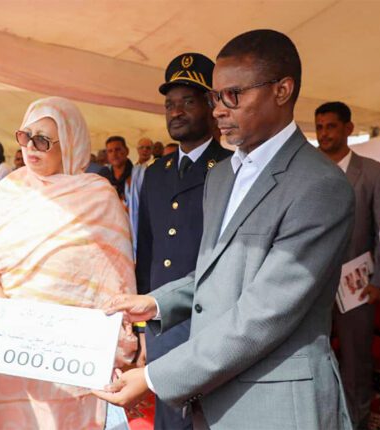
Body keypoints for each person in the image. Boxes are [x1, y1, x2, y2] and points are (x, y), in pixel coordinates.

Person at [95, 29, 355, 430]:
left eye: (233, 95)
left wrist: (153, 377)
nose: (218, 110)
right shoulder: (223, 177)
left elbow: (265, 313)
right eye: (216, 97)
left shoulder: (318, 185)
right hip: (214, 399)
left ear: (282, 90)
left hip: (274, 405)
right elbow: (217, 272)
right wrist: (158, 302)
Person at [0, 97, 138, 429]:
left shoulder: (98, 196)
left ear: (70, 143)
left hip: (71, 355)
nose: (31, 147)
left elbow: (115, 279)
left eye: (43, 140)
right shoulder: (10, 189)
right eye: (25, 136)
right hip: (12, 347)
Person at [135, 51, 232, 430]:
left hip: (211, 318)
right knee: (167, 415)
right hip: (162, 318)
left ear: (211, 105)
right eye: (169, 104)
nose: (175, 112)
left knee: (209, 414)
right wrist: (143, 323)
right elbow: (147, 249)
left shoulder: (230, 167)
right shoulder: (155, 173)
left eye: (187, 102)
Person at [315, 100, 380, 428]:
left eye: (331, 126)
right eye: (319, 127)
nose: (324, 134)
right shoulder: (306, 170)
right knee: (312, 357)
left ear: (348, 129)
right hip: (311, 283)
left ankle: (356, 421)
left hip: (358, 285)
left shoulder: (375, 173)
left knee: (356, 360)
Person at [106, 136, 146, 250]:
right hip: (111, 232)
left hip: (135, 230)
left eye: (118, 149)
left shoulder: (139, 175)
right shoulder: (104, 176)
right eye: (110, 151)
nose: (114, 154)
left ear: (127, 151)